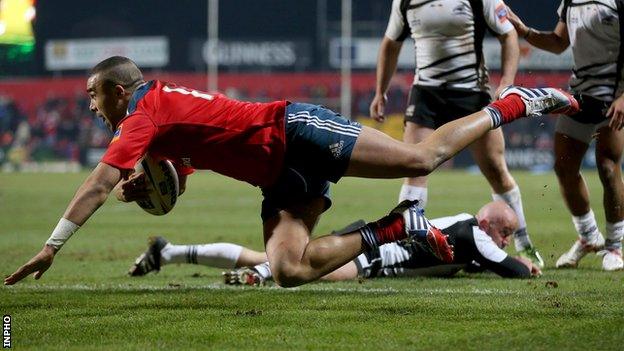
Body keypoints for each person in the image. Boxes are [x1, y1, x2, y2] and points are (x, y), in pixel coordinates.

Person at [4, 56, 577, 287]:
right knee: (287, 270)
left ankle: (515, 103)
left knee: (420, 157)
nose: (89, 107)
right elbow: (188, 163)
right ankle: (396, 227)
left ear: (117, 89)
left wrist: (54, 246)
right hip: (277, 176)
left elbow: (98, 181)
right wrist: (161, 181)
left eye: (93, 96)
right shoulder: (156, 113)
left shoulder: (142, 112)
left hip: (296, 130)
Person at [369, 0, 544, 268]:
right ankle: (408, 243)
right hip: (427, 92)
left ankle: (525, 245)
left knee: (496, 169)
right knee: (414, 167)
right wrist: (380, 91)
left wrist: (507, 83)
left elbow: (508, 35)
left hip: (472, 93)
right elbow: (390, 44)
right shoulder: (404, 2)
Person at [128, 201, 541, 285]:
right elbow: (514, 270)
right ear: (488, 223)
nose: (504, 240)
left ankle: (171, 252)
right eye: (504, 232)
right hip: (371, 252)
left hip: (372, 245)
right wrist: (529, 266)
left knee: (277, 258)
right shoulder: (475, 234)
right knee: (305, 272)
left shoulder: (465, 230)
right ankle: (257, 275)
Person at [507, 1, 624, 271]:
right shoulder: (571, 1)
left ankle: (614, 246)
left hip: (614, 96)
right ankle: (588, 236)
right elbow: (559, 42)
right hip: (581, 93)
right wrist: (525, 31)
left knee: (608, 167)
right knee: (564, 167)